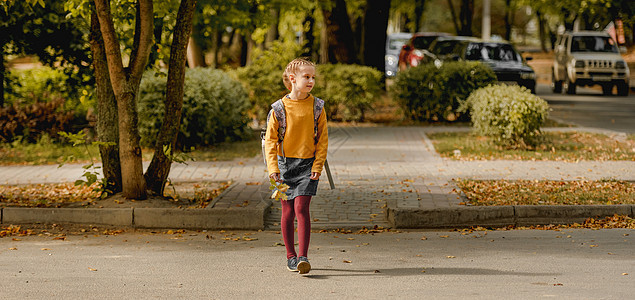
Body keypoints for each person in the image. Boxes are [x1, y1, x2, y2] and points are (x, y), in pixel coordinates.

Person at [264, 58, 328, 275]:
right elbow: (271, 143)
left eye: (313, 77)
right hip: (282, 167)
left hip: (308, 167)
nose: (311, 81)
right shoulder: (278, 109)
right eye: (306, 77)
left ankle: (303, 257)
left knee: (301, 208)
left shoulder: (318, 107)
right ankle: (290, 256)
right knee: (288, 211)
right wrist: (273, 169)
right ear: (292, 79)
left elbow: (323, 141)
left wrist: (318, 165)